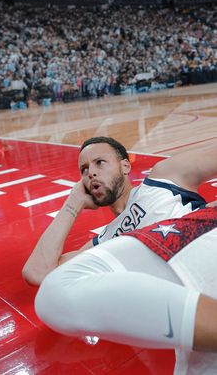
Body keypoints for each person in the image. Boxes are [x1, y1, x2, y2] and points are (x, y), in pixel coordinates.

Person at [22, 136, 217, 374]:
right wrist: (73, 202)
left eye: (99, 162)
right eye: (84, 170)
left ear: (125, 165)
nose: (90, 173)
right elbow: (37, 273)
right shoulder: (103, 240)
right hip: (197, 302)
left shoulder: (163, 179)